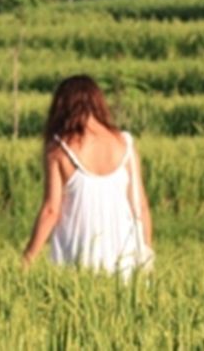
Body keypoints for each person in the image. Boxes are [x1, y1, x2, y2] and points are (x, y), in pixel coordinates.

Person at [21, 75, 154, 277]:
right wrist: (145, 253)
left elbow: (51, 211)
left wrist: (27, 258)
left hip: (79, 255)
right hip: (125, 259)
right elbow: (140, 206)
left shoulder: (59, 149)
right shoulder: (125, 143)